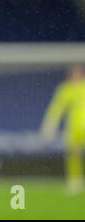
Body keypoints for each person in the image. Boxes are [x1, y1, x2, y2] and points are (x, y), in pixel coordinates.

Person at [40, 65, 85, 194]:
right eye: (73, 73)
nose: (75, 75)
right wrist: (49, 125)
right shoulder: (65, 89)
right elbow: (56, 108)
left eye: (78, 73)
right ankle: (75, 181)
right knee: (72, 154)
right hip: (72, 126)